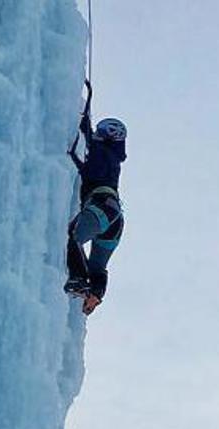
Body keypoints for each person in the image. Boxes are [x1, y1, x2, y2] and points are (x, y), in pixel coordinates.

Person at [64, 80, 127, 315]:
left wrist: (85, 118)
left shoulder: (103, 153)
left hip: (102, 206)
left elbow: (89, 141)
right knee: (98, 266)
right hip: (114, 217)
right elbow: (90, 142)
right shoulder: (113, 159)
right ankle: (95, 294)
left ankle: (80, 281)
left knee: (71, 235)